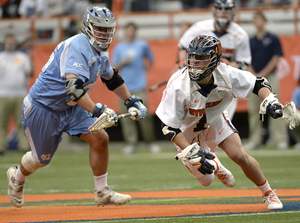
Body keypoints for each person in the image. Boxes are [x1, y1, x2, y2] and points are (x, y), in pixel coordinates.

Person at [6, 6, 147, 208]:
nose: (105, 34)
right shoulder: (77, 46)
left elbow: (112, 78)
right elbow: (73, 88)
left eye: (108, 29)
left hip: (71, 107)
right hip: (44, 108)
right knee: (40, 159)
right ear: (88, 27)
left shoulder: (100, 50)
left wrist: (131, 100)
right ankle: (17, 177)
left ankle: (102, 192)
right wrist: (98, 110)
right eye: (100, 28)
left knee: (100, 138)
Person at [156, 35, 284, 210]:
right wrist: (191, 153)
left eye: (201, 58)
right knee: (207, 180)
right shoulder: (178, 85)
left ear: (214, 59)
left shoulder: (226, 73)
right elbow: (168, 127)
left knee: (240, 156)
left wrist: (270, 100)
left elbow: (258, 83)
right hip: (186, 130)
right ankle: (215, 163)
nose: (195, 62)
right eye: (192, 56)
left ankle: (269, 193)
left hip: (214, 119)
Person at [177, 0, 251, 121]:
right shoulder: (200, 28)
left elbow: (244, 64)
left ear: (232, 12)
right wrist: (183, 63)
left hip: (225, 82)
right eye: (219, 10)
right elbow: (182, 46)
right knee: (196, 120)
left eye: (226, 10)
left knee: (223, 121)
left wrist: (227, 65)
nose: (222, 14)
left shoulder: (240, 34)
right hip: (200, 81)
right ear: (214, 11)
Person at [112, 22, 160, 154]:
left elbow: (151, 59)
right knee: (127, 116)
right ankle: (131, 143)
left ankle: (150, 142)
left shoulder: (142, 45)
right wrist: (124, 62)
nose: (131, 33)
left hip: (139, 85)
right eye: (129, 30)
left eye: (133, 30)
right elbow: (114, 67)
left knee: (144, 115)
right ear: (125, 32)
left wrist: (145, 71)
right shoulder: (119, 48)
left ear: (135, 32)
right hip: (123, 87)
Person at [245, 11, 288, 150]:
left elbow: (276, 58)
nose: (258, 23)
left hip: (270, 77)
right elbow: (246, 59)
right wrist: (254, 73)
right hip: (254, 78)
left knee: (275, 107)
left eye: (260, 20)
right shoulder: (250, 40)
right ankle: (255, 139)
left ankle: (280, 139)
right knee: (253, 109)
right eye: (255, 20)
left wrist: (262, 73)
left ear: (264, 21)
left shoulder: (273, 38)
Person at [0, 33, 32, 155]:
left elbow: (29, 72)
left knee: (22, 122)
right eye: (8, 42)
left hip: (19, 94)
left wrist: (31, 54)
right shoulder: (1, 57)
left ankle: (24, 146)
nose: (10, 45)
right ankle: (1, 147)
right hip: (3, 94)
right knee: (2, 123)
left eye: (12, 42)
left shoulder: (22, 57)